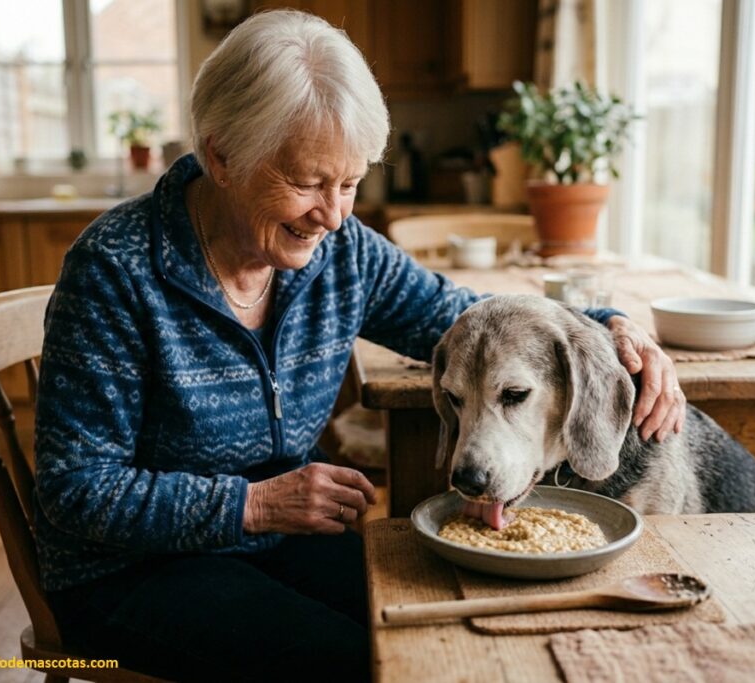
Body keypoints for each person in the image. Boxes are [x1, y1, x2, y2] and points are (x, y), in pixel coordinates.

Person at [33, 10, 686, 683]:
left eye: (349, 183)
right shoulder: (115, 271)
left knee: (447, 618)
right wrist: (254, 504)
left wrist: (607, 330)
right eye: (310, 182)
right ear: (221, 155)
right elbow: (75, 489)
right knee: (360, 663)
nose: (335, 214)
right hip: (128, 575)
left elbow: (472, 319)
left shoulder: (340, 254)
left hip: (273, 543)